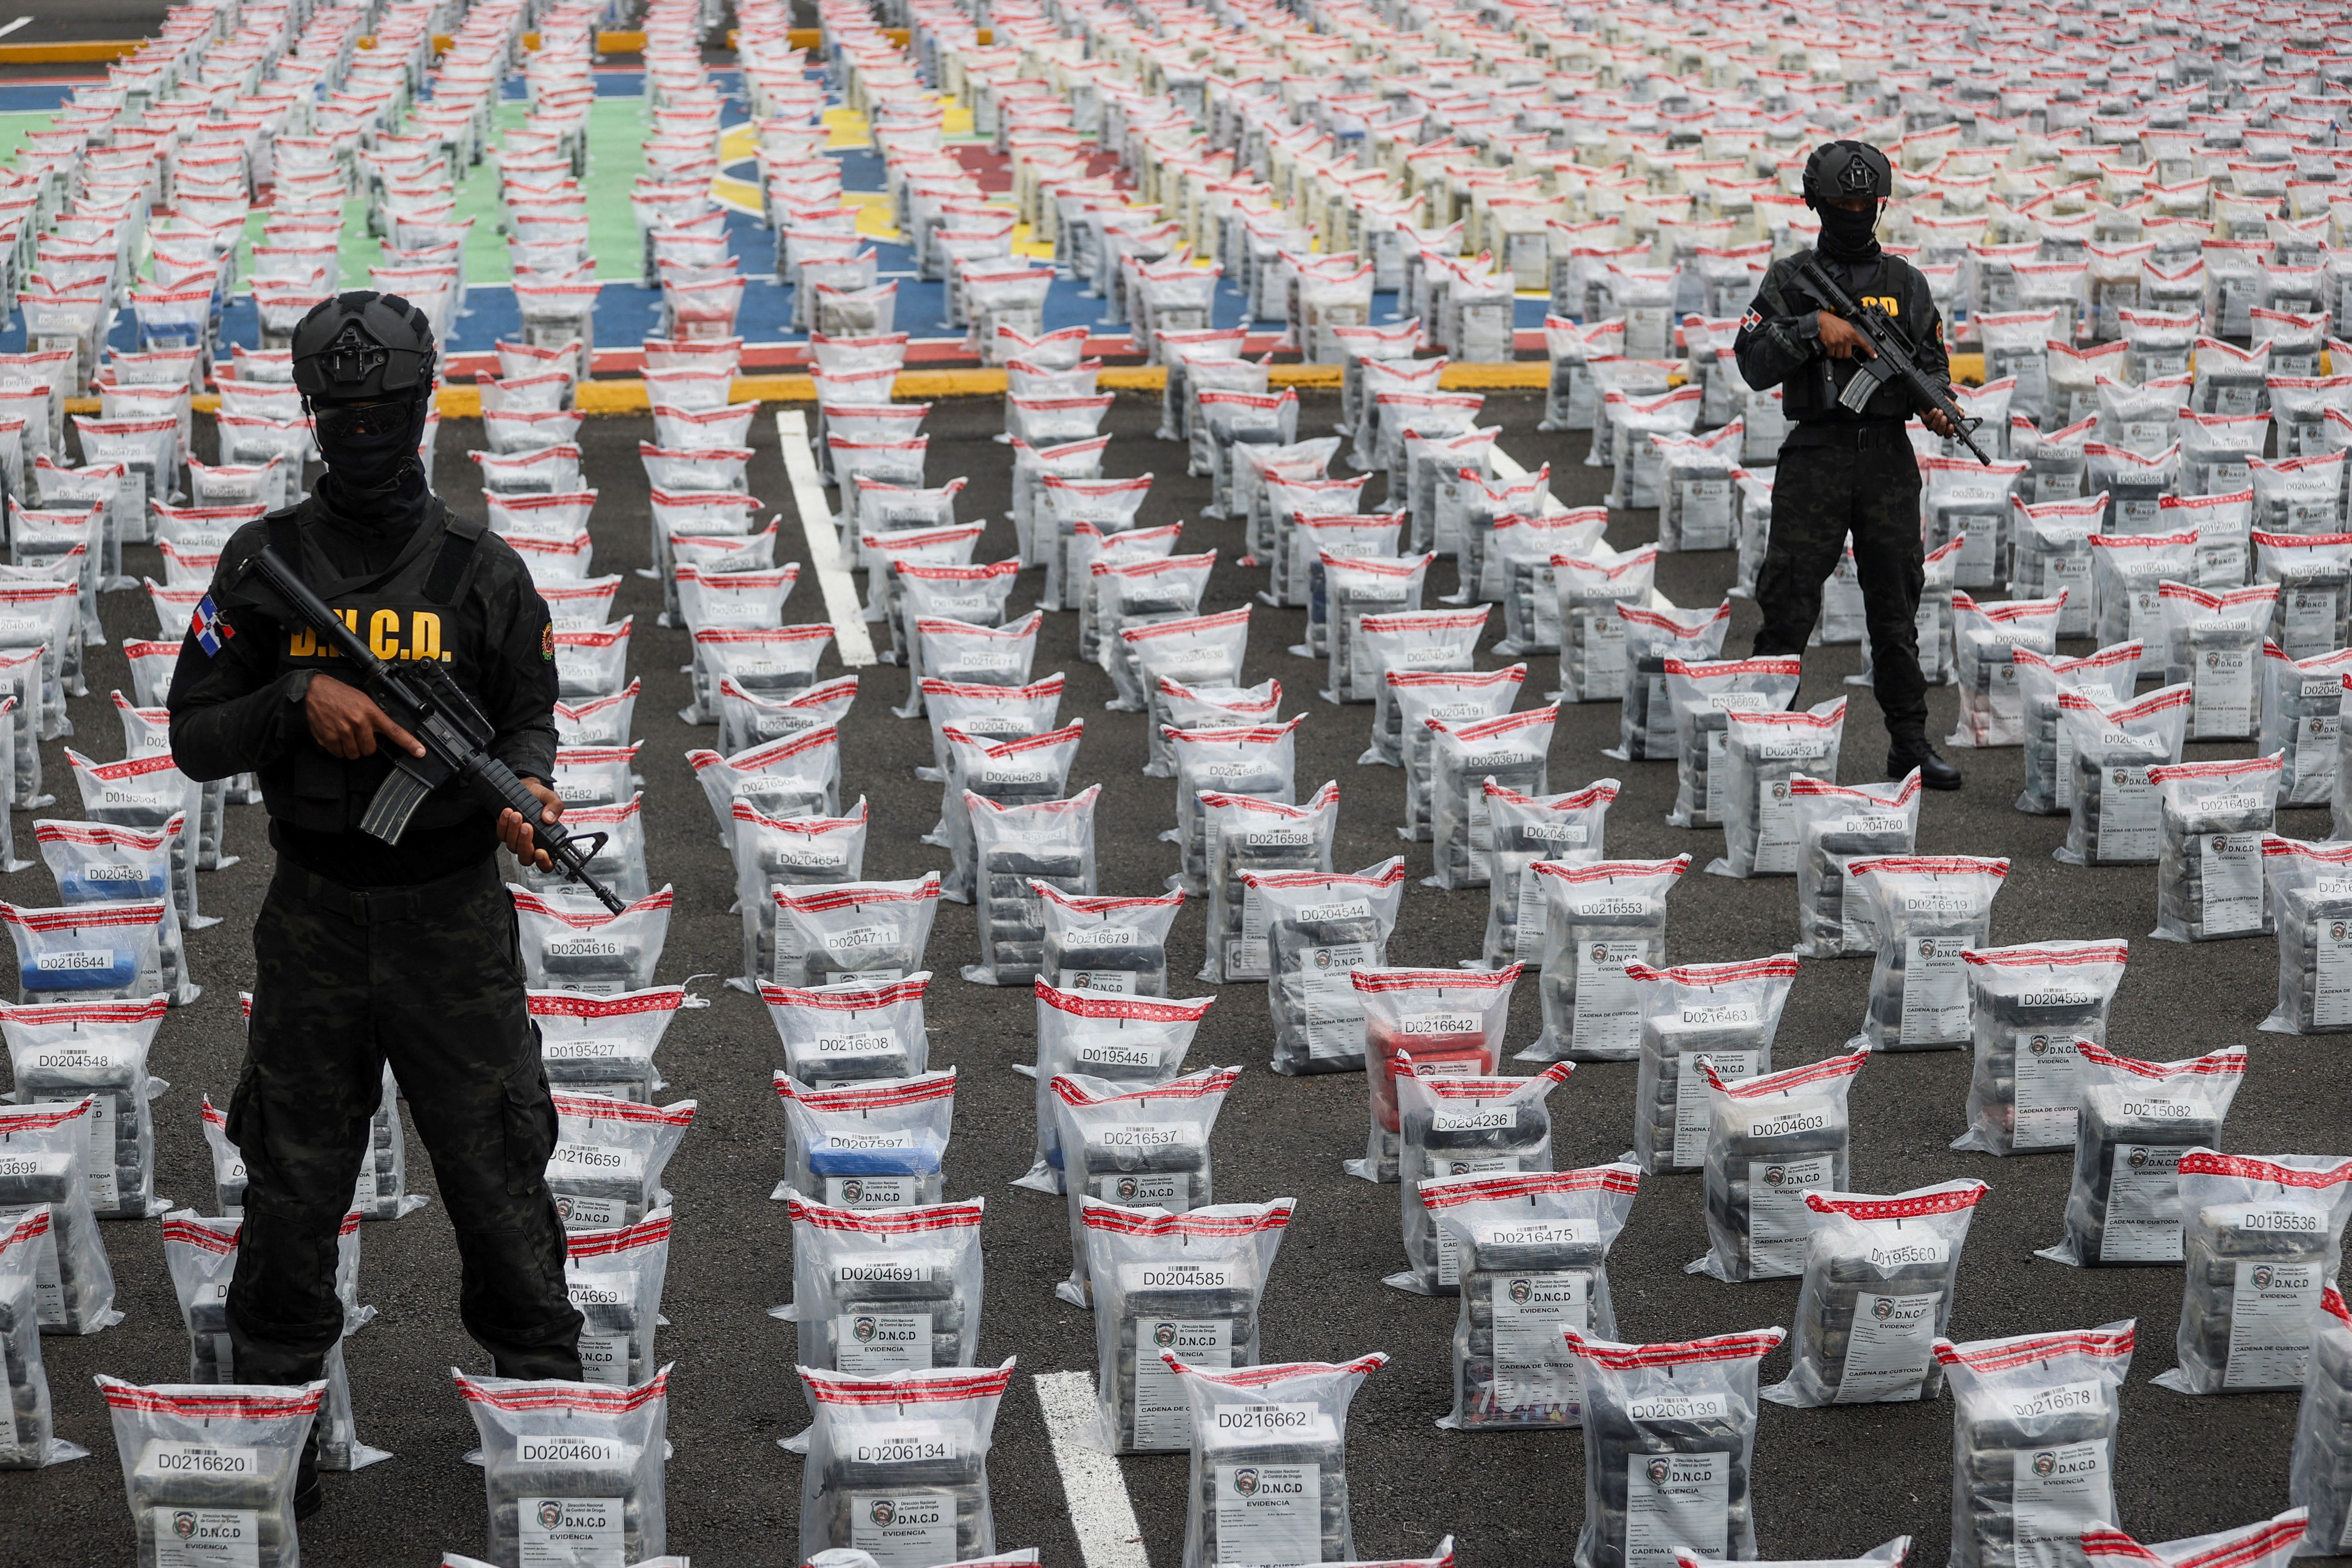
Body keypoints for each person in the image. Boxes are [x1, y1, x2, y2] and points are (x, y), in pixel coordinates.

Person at [167, 292, 584, 1513]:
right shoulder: (259, 565)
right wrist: (301, 705)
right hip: (315, 917)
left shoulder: (480, 570)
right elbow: (194, 735)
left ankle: (549, 1418)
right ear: (313, 415)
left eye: (383, 410)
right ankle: (277, 1428)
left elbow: (526, 711)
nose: (362, 432)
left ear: (421, 411)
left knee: (500, 1167)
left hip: (452, 917)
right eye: (342, 412)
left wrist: (531, 787)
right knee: (293, 1181)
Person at [1733, 139, 1965, 790]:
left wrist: (1938, 406)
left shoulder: (1906, 284)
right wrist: (1814, 332)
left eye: (1868, 202)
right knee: (1788, 604)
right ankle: (1764, 741)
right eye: (1844, 202)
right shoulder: (1791, 278)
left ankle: (1910, 743)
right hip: (1816, 456)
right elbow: (1751, 364)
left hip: (1887, 460)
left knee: (1896, 607)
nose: (1857, 212)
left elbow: (1933, 366)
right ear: (1817, 204)